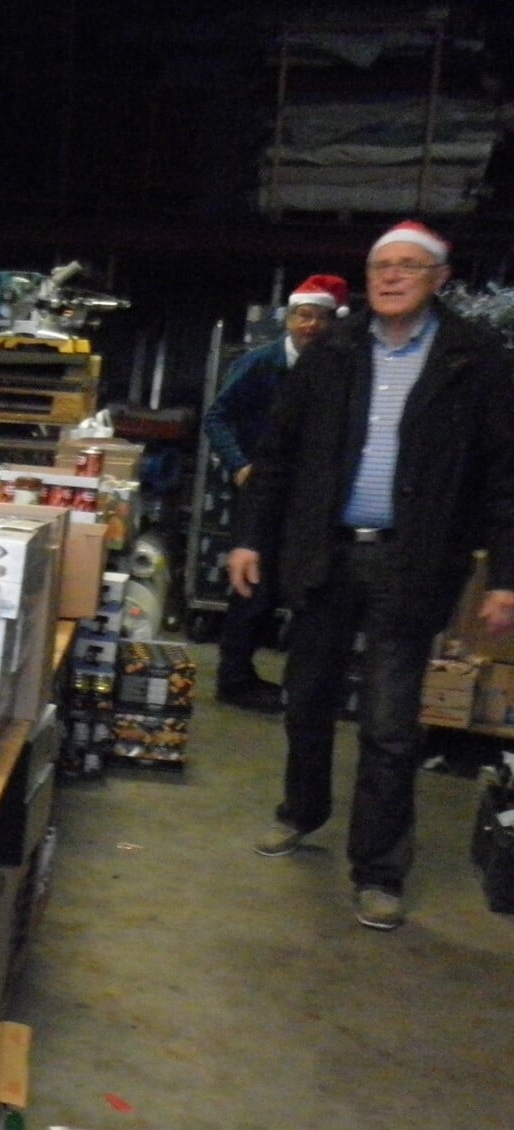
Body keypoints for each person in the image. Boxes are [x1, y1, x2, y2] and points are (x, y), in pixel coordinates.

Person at [230, 220, 514, 931]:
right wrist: (249, 539)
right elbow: (279, 455)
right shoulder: (334, 352)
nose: (390, 277)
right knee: (306, 699)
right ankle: (302, 810)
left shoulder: (475, 361)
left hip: (411, 561)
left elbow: (505, 477)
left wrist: (505, 576)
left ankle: (380, 870)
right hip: (325, 554)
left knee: (389, 724)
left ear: (439, 279)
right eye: (380, 266)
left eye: (409, 267)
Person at [205, 274, 349, 713]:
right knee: (252, 587)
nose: (311, 326)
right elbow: (217, 416)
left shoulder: (333, 367)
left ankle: (254, 675)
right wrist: (240, 465)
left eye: (321, 319)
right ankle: (233, 679)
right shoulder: (262, 363)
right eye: (304, 316)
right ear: (290, 318)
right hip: (261, 487)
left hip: (304, 493)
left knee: (286, 586)